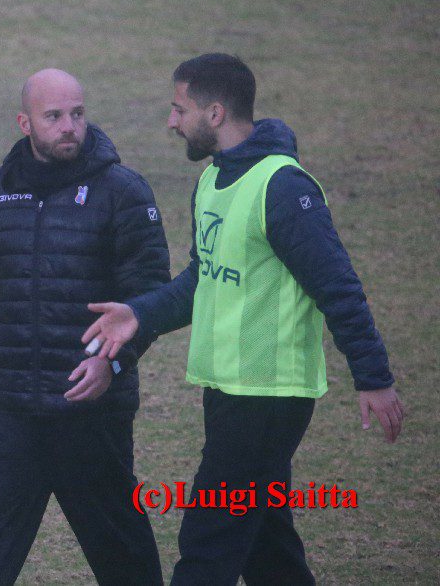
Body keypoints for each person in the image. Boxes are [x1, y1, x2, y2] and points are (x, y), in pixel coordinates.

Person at [81, 53, 405, 585]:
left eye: (177, 108)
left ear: (213, 113)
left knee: (210, 536)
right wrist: (139, 314)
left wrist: (374, 378)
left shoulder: (284, 189)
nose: (170, 122)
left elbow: (338, 288)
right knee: (265, 545)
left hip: (271, 394)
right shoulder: (214, 180)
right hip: (230, 388)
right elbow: (202, 279)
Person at [0, 68, 171, 585]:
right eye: (53, 116)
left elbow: (150, 299)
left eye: (77, 114)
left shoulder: (122, 191)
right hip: (13, 411)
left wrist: (112, 363)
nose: (68, 127)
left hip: (90, 411)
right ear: (24, 123)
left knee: (122, 554)